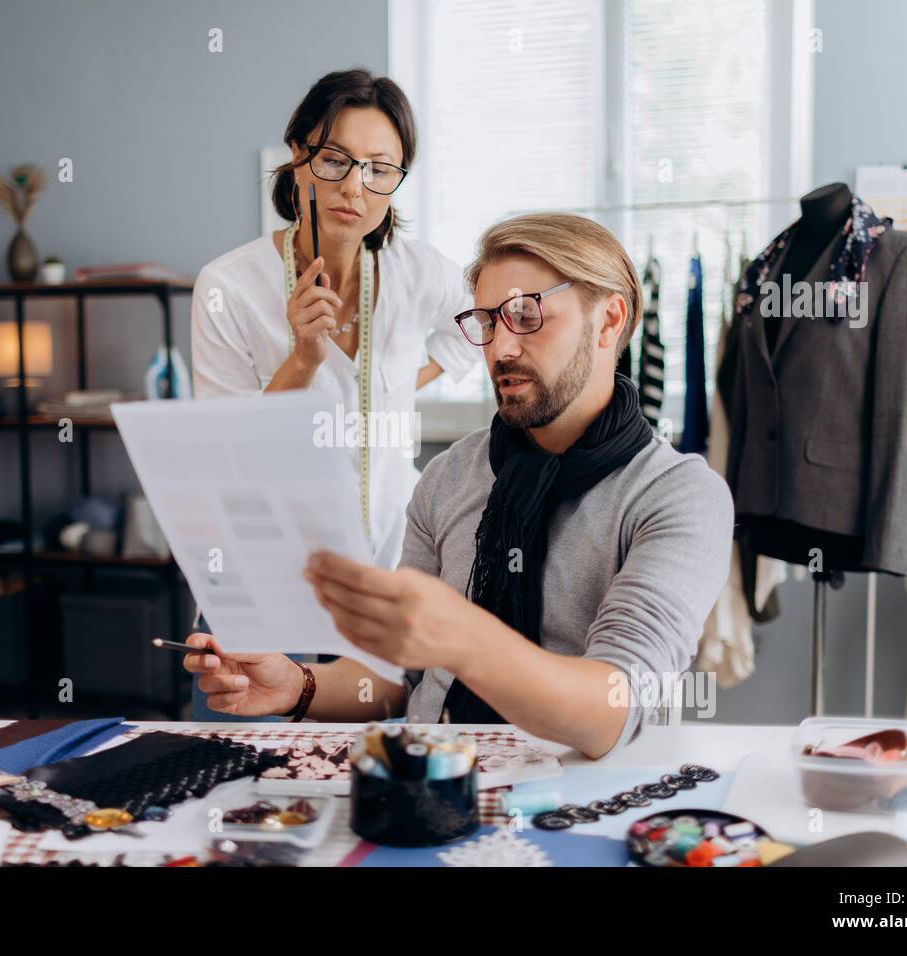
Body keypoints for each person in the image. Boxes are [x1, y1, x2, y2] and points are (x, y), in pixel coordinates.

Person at [184, 212, 734, 757]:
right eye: (488, 322)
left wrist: (462, 636)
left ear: (610, 320)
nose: (501, 349)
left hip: (582, 807)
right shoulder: (450, 476)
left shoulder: (680, 497)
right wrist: (297, 685)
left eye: (526, 315)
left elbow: (613, 707)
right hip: (435, 788)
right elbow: (401, 677)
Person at [190, 68, 479, 569]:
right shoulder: (227, 288)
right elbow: (228, 455)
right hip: (271, 563)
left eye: (379, 169)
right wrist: (302, 360)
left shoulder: (419, 272)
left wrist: (409, 380)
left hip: (391, 562)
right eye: (334, 160)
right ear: (299, 160)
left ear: (395, 182)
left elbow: (477, 322)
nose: (353, 186)